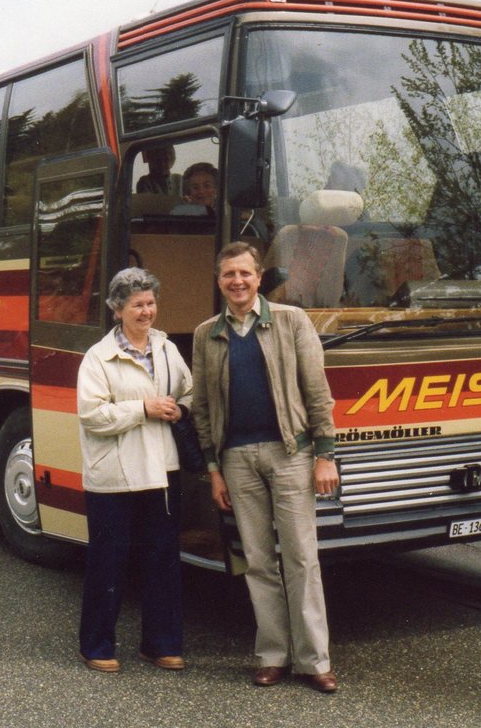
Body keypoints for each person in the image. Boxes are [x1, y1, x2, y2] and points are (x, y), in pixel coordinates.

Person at [190, 241, 340, 693]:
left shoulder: (291, 322)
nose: (237, 281)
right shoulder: (205, 334)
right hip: (237, 461)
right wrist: (214, 469)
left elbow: (317, 392)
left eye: (245, 274)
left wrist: (325, 455)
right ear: (219, 282)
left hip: (290, 455)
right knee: (257, 561)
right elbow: (201, 409)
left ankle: (314, 661)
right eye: (228, 275)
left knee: (301, 558)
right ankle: (272, 655)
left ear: (259, 278)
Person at [76, 267, 193, 673]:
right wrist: (143, 408)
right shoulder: (98, 358)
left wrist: (182, 408)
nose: (147, 311)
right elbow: (92, 415)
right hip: (114, 475)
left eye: (151, 302)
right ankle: (96, 646)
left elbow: (189, 390)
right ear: (117, 310)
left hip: (162, 470)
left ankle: (160, 644)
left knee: (162, 559)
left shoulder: (166, 349)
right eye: (137, 305)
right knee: (108, 562)